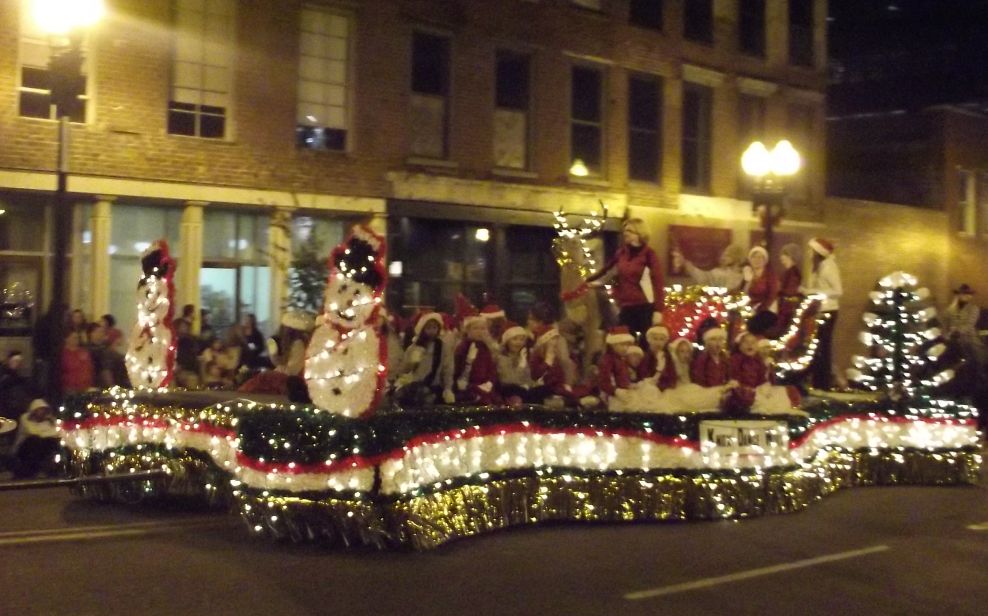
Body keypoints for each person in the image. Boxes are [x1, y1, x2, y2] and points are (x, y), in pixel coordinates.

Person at [587, 218, 665, 340]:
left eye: (629, 230)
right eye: (624, 230)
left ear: (639, 233)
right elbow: (607, 270)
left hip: (644, 306)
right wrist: (590, 280)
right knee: (624, 341)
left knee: (644, 344)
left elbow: (658, 283)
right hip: (626, 306)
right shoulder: (621, 253)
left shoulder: (649, 254)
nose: (625, 233)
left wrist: (658, 310)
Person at [801, 237, 843, 390]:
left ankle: (823, 382)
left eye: (811, 250)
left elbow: (838, 290)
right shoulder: (818, 267)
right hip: (820, 310)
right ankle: (818, 380)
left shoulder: (828, 266)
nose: (809, 252)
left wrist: (812, 292)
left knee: (823, 346)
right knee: (818, 345)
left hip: (829, 310)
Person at [731, 332, 803, 415]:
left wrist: (765, 387)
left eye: (753, 342)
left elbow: (763, 380)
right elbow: (734, 381)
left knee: (782, 392)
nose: (749, 345)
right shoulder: (735, 360)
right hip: (743, 394)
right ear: (739, 345)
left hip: (757, 391)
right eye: (746, 342)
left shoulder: (757, 361)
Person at [394, 312, 454, 406]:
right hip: (416, 388)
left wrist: (448, 388)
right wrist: (412, 362)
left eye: (434, 328)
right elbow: (403, 370)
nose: (432, 331)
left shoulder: (442, 347)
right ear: (422, 329)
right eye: (428, 328)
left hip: (434, 387)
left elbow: (447, 369)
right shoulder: (414, 348)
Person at [496, 322, 550, 406]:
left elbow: (527, 378)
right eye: (515, 339)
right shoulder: (502, 358)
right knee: (516, 391)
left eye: (521, 340)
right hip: (509, 389)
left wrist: (533, 384)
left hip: (523, 389)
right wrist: (521, 366)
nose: (518, 342)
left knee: (544, 390)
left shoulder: (522, 357)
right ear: (507, 341)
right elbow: (508, 380)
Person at [452, 313, 500, 405]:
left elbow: (491, 368)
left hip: (485, 385)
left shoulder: (486, 347)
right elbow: (458, 369)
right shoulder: (463, 347)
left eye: (482, 329)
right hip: (469, 385)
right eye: (476, 328)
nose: (479, 332)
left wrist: (490, 382)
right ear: (468, 330)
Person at [943, 283, 985, 372]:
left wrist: (957, 330)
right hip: (952, 338)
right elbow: (945, 322)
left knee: (977, 359)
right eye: (963, 294)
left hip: (969, 339)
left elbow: (970, 324)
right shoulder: (950, 309)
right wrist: (946, 334)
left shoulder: (973, 309)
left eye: (968, 294)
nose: (965, 296)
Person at [673, 244, 746, 291]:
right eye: (724, 255)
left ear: (736, 257)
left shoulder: (744, 275)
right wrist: (686, 263)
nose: (723, 258)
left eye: (728, 255)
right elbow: (703, 277)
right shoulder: (718, 272)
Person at [641, 325, 676, 391]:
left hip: (665, 387)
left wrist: (670, 384)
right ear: (650, 340)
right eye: (655, 339)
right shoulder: (647, 356)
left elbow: (672, 373)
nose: (658, 342)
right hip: (650, 387)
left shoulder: (667, 356)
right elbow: (644, 374)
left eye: (661, 339)